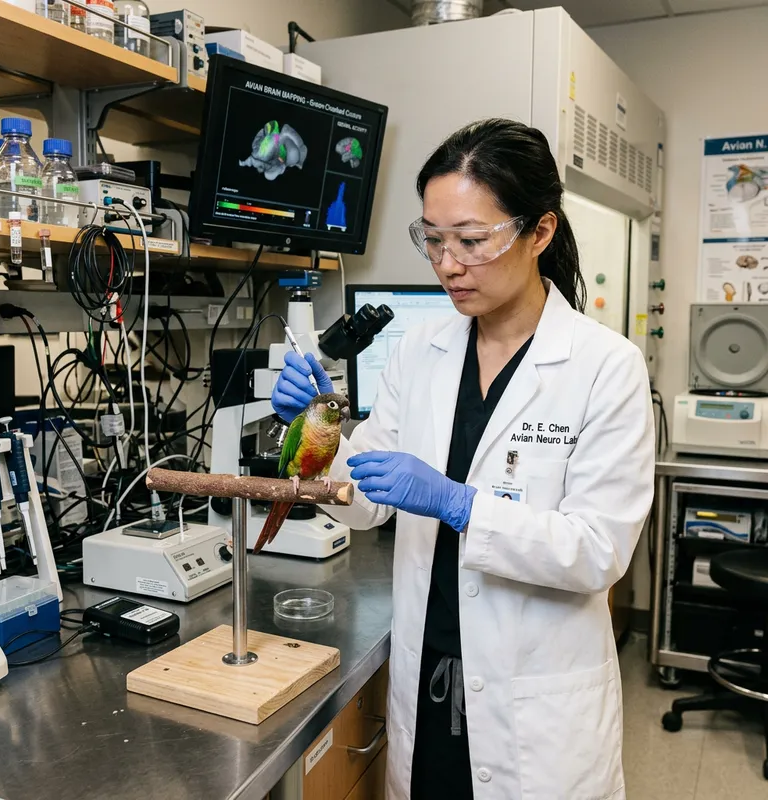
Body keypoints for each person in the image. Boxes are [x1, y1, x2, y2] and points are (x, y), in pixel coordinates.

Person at [271, 119, 655, 800]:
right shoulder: (420, 350)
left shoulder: (605, 366)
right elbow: (365, 502)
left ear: (539, 232)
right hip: (429, 684)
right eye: (433, 240)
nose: (448, 264)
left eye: (472, 241)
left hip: (534, 713)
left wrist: (459, 504)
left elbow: (598, 550)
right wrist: (317, 432)